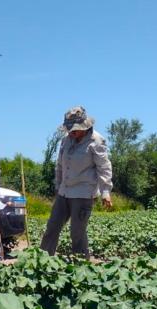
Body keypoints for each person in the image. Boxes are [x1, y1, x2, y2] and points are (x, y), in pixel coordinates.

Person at [39, 106, 113, 257]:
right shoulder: (66, 140)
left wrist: (106, 191)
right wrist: (58, 185)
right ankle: (42, 261)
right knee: (52, 228)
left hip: (83, 193)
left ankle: (81, 268)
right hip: (64, 191)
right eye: (70, 130)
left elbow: (104, 167)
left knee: (77, 233)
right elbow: (60, 165)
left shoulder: (96, 141)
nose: (72, 132)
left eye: (75, 130)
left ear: (85, 126)